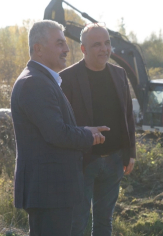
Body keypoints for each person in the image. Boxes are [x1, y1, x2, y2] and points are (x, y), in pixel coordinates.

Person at [11, 20, 109, 236]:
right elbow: (56, 133)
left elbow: (55, 128)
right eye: (59, 44)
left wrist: (86, 131)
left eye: (65, 43)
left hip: (50, 190)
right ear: (38, 48)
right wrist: (87, 135)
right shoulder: (34, 83)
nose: (66, 49)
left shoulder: (42, 80)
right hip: (48, 191)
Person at [60, 23, 136, 236]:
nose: (104, 49)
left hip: (114, 160)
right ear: (83, 49)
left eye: (107, 43)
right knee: (77, 223)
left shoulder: (119, 74)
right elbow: (62, 124)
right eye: (96, 45)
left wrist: (130, 153)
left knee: (104, 223)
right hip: (82, 162)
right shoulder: (67, 78)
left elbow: (128, 116)